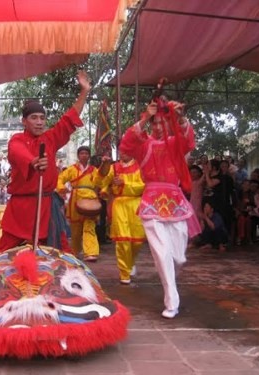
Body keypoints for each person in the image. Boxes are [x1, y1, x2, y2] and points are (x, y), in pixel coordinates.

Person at [0, 70, 91, 254]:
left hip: (47, 207)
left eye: (42, 118)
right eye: (34, 118)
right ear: (24, 121)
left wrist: (84, 91)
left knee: (58, 253)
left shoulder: (51, 138)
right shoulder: (16, 140)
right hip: (21, 209)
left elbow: (69, 119)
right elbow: (18, 153)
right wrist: (33, 162)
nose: (39, 122)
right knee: (3, 251)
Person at [119, 97, 198, 319]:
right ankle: (172, 301)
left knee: (178, 257)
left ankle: (171, 281)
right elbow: (126, 144)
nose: (159, 127)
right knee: (162, 254)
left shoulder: (174, 144)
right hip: (152, 202)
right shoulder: (144, 144)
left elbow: (189, 141)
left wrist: (180, 118)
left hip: (175, 202)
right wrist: (145, 117)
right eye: (156, 123)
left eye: (163, 122)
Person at [96, 152, 146, 284]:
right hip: (119, 205)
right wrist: (104, 166)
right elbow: (100, 181)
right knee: (123, 239)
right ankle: (124, 274)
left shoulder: (141, 166)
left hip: (136, 204)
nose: (123, 153)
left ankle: (130, 263)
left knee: (137, 240)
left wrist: (125, 182)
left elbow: (144, 186)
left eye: (127, 150)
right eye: (122, 150)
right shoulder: (115, 167)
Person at [57, 146, 100, 262]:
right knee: (75, 229)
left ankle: (91, 252)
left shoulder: (94, 170)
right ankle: (75, 251)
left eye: (86, 153)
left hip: (90, 199)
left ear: (89, 156)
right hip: (75, 199)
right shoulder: (72, 169)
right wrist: (61, 188)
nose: (84, 155)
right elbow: (60, 178)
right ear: (78, 155)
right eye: (82, 153)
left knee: (89, 226)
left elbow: (101, 181)